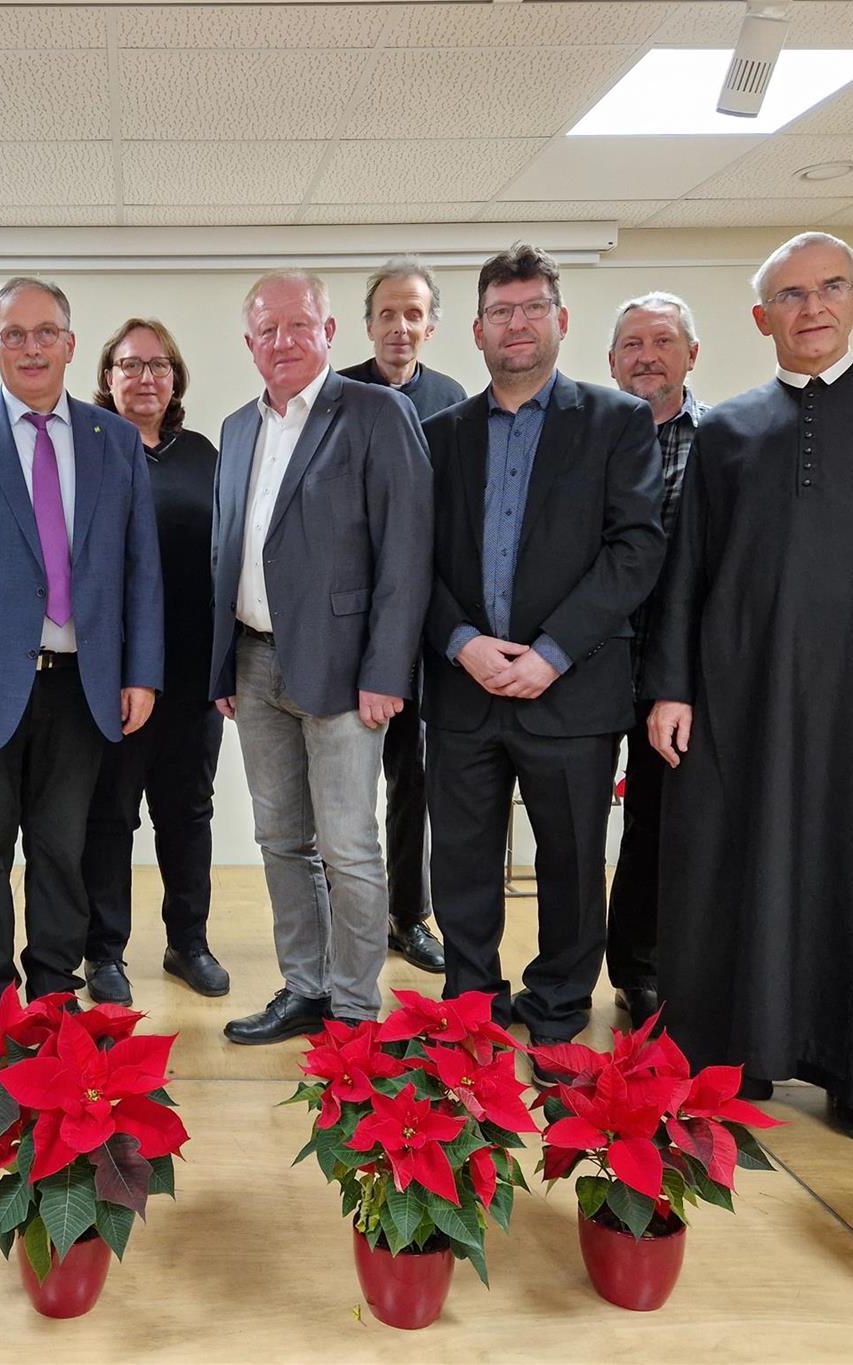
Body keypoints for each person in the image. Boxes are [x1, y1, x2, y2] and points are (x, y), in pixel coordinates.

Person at [645, 232, 853, 1142]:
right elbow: (688, 569)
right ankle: (739, 1051)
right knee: (735, 858)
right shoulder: (724, 427)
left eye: (830, 288)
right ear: (763, 319)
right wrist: (669, 684)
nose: (812, 307)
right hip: (738, 689)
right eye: (790, 295)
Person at [0, 276, 164, 1018]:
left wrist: (141, 669)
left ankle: (52, 993)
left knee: (61, 852)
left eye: (46, 332)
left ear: (72, 344)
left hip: (83, 685)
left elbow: (140, 567)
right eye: (14, 334)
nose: (32, 347)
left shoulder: (114, 441)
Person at [423, 242, 664, 1064]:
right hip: (464, 688)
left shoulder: (617, 422)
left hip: (572, 691)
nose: (516, 325)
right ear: (479, 331)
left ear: (559, 321)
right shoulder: (440, 433)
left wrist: (552, 652)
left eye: (531, 309)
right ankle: (471, 995)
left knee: (569, 861)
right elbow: (412, 560)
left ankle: (559, 999)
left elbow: (635, 549)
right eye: (500, 312)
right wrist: (460, 641)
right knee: (460, 859)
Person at [211, 269, 432, 1044]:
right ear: (249, 343)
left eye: (299, 325)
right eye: (267, 330)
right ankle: (303, 988)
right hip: (254, 663)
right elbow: (227, 551)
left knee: (348, 845)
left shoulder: (377, 413)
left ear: (330, 332)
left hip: (345, 672)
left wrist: (387, 672)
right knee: (281, 841)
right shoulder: (239, 428)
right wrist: (220, 669)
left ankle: (354, 1007)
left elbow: (406, 552)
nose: (284, 341)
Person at [79, 318, 227, 1006]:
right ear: (107, 378)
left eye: (159, 366)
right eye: (131, 365)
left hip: (193, 673)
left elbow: (229, 564)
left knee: (188, 811)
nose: (145, 378)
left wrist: (226, 665)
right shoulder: (86, 449)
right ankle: (103, 952)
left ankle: (188, 942)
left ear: (176, 379)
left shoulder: (203, 453)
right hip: (111, 673)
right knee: (110, 814)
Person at [337, 256, 468, 977]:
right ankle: (343, 920)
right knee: (341, 783)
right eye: (387, 313)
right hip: (349, 629)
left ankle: (407, 915)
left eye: (413, 313)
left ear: (431, 324)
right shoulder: (338, 395)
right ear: (368, 323)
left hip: (426, 629)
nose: (399, 326)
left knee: (414, 776)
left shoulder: (452, 399)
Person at [602, 291, 706, 1027]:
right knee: (576, 824)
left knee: (661, 822)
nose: (646, 355)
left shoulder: (724, 440)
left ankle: (647, 968)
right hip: (594, 654)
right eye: (632, 344)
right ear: (612, 362)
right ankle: (591, 966)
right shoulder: (592, 437)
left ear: (690, 354)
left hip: (681, 667)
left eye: (662, 341)